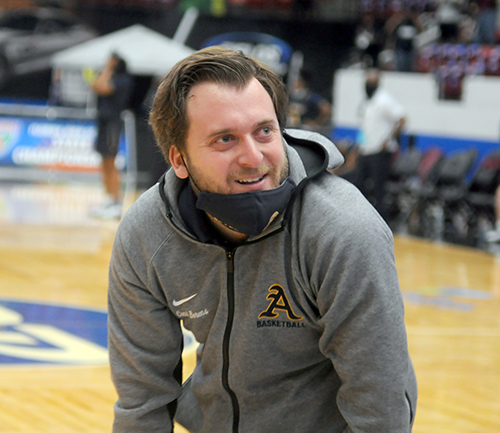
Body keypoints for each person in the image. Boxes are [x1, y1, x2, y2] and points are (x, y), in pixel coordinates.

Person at [107, 46, 417, 433]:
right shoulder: (147, 237)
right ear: (179, 160)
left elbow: (380, 410)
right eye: (225, 139)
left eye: (264, 131)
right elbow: (142, 401)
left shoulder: (343, 231)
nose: (253, 157)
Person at [355, 68, 407, 222]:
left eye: (371, 81)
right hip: (366, 150)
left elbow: (402, 119)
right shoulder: (367, 102)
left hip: (380, 151)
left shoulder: (384, 100)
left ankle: (381, 222)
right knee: (359, 185)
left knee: (379, 189)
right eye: (367, 81)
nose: (368, 84)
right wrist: (359, 145)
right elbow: (365, 128)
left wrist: (388, 140)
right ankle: (360, 219)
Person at [90, 53, 133, 219]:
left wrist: (107, 69)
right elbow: (94, 85)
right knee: (103, 160)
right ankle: (108, 198)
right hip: (103, 122)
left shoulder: (123, 80)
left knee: (110, 160)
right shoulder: (112, 76)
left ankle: (116, 201)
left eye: (110, 62)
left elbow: (102, 87)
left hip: (112, 124)